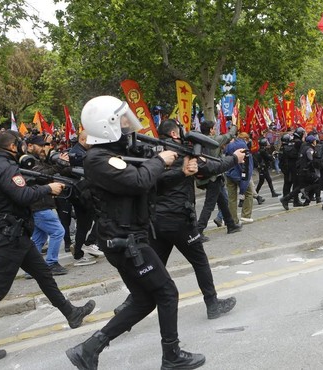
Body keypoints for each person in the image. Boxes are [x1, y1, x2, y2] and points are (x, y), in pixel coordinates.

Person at [65, 97, 204, 370]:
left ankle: (88, 349)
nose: (128, 124)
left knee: (143, 300)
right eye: (122, 120)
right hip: (125, 242)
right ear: (107, 126)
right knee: (166, 292)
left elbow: (149, 186)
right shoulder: (99, 159)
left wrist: (182, 172)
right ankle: (172, 356)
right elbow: (139, 180)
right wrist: (161, 160)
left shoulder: (112, 156)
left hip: (128, 240)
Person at [0, 130, 95, 365]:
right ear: (12, 146)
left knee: (44, 275)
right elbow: (22, 196)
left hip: (13, 235)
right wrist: (48, 189)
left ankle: (71, 313)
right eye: (19, 144)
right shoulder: (7, 168)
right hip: (10, 237)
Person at [144, 119, 245, 319]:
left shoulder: (152, 154)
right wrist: (234, 159)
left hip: (156, 220)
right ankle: (212, 304)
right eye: (180, 130)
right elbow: (211, 168)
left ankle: (131, 302)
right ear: (174, 134)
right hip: (179, 219)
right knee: (200, 262)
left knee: (155, 266)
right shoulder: (182, 153)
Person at [26, 134, 69, 275]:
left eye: (44, 145)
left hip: (40, 204)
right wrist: (59, 165)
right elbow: (42, 175)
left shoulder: (38, 159)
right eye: (40, 146)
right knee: (58, 232)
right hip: (40, 205)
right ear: (30, 146)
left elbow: (47, 172)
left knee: (39, 238)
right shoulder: (29, 161)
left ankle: (32, 269)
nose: (43, 149)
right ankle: (51, 263)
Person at [196, 121, 242, 239]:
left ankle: (230, 225)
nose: (215, 130)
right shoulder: (213, 140)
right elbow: (229, 136)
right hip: (214, 177)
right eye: (214, 128)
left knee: (223, 202)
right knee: (209, 205)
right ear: (211, 130)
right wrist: (235, 126)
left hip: (209, 176)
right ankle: (198, 231)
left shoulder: (199, 140)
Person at [68, 131, 101, 266]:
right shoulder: (78, 153)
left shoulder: (79, 151)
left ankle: (81, 247)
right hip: (82, 194)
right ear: (82, 139)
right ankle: (87, 245)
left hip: (83, 193)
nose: (92, 144)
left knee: (85, 224)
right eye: (90, 140)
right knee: (94, 219)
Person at [225, 133, 255, 224]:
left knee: (231, 198)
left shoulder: (229, 145)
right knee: (249, 192)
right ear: (245, 139)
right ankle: (246, 215)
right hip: (239, 173)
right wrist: (246, 176)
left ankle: (233, 220)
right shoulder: (242, 145)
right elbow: (246, 163)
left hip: (229, 173)